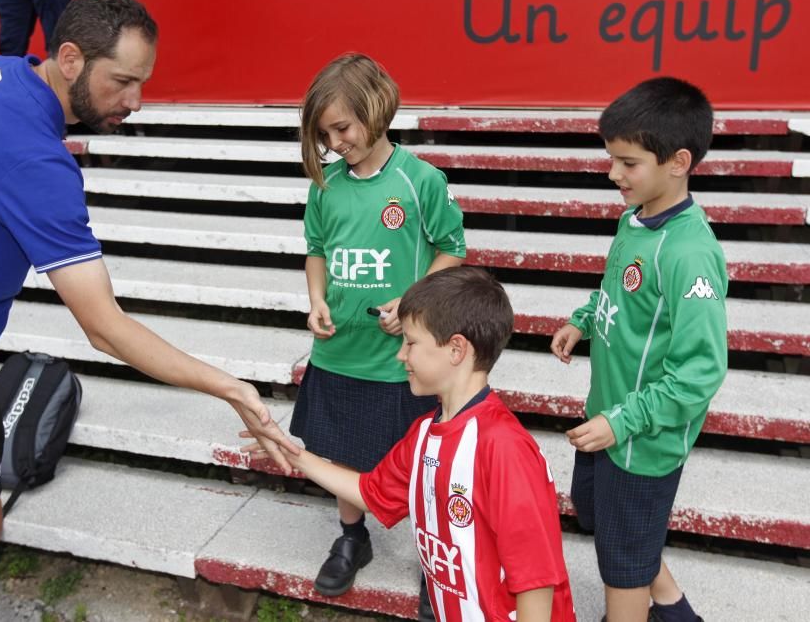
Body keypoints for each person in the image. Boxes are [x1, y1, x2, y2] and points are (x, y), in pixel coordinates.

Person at [0, 0, 299, 622]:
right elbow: (104, 327)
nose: (135, 101)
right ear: (70, 58)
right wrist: (230, 387)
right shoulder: (37, 164)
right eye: (122, 81)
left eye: (142, 83)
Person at [246, 266, 576, 622]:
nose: (401, 355)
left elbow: (535, 583)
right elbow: (371, 492)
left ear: (456, 349)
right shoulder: (423, 432)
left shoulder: (503, 447)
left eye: (411, 342)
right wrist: (295, 455)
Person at [290, 53, 466, 615]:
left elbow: (452, 251)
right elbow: (316, 251)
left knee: (414, 460)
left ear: (377, 109)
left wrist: (411, 302)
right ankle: (353, 536)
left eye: (342, 128)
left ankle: (430, 556)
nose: (336, 142)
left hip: (399, 360)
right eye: (325, 134)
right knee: (340, 453)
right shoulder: (326, 186)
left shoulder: (420, 181)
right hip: (338, 353)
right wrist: (317, 298)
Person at [550, 77, 726, 622]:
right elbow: (618, 293)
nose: (613, 174)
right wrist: (584, 320)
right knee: (604, 519)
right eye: (611, 159)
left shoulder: (691, 255)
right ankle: (674, 608)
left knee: (621, 563)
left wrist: (623, 422)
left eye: (628, 163)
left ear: (678, 161)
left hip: (640, 442)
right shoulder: (635, 219)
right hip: (608, 419)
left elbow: (700, 372)